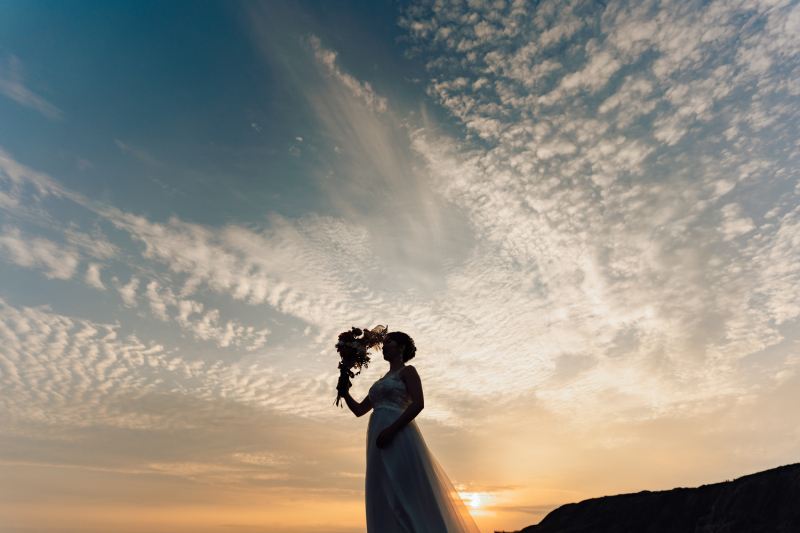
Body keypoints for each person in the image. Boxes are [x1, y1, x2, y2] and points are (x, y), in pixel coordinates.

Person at [338, 331, 481, 533]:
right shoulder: (380, 382)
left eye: (389, 342)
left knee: (404, 489)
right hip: (376, 439)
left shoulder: (408, 372)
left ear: (401, 347)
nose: (384, 345)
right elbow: (360, 411)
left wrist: (392, 429)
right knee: (381, 490)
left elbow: (418, 403)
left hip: (398, 434)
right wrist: (345, 393)